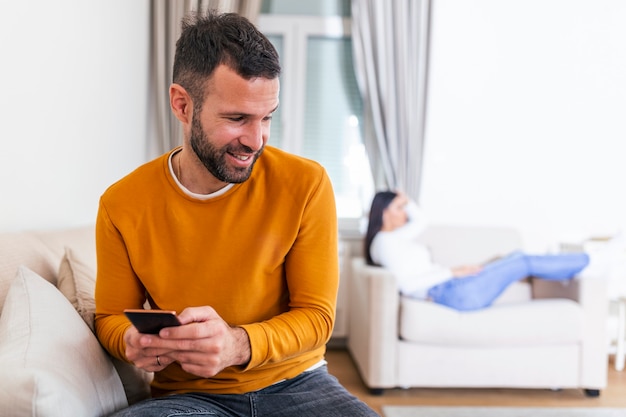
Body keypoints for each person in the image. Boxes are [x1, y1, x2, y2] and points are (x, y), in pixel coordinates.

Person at [95, 11, 379, 417]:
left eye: (266, 118)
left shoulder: (306, 183)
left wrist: (236, 344)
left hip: (297, 384)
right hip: (188, 400)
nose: (256, 139)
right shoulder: (122, 203)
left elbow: (317, 318)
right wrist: (131, 342)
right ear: (182, 105)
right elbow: (109, 316)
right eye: (237, 118)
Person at [364, 190, 597, 311]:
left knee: (516, 256)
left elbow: (421, 221)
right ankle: (592, 262)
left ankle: (584, 265)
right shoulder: (385, 243)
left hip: (450, 288)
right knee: (522, 261)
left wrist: (406, 199)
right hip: (448, 291)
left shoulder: (392, 239)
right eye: (399, 208)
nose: (405, 213)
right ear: (385, 212)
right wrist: (453, 272)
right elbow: (408, 284)